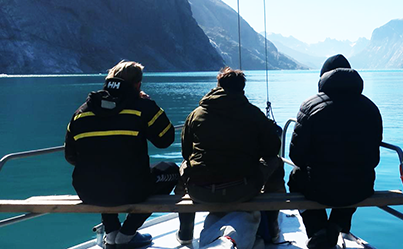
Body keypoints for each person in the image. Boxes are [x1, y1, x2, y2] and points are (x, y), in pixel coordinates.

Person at [65, 60, 179, 249]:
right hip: (132, 189)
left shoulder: (82, 112)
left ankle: (111, 232)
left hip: (87, 190)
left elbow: (70, 156)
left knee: (101, 173)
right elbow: (165, 140)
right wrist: (150, 104)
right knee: (172, 171)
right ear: (138, 85)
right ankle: (127, 232)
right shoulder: (142, 107)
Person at [288, 54, 383, 249]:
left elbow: (296, 156)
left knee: (295, 177)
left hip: (319, 187)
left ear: (323, 78)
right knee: (359, 176)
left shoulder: (310, 106)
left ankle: (317, 229)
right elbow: (373, 158)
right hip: (359, 188)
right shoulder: (370, 108)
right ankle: (337, 224)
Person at [180, 67, 283, 245]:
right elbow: (272, 149)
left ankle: (185, 232)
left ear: (218, 86)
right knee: (276, 162)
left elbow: (186, 152)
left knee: (184, 165)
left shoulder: (196, 114)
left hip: (201, 191)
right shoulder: (254, 114)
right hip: (243, 190)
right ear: (242, 89)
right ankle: (273, 227)